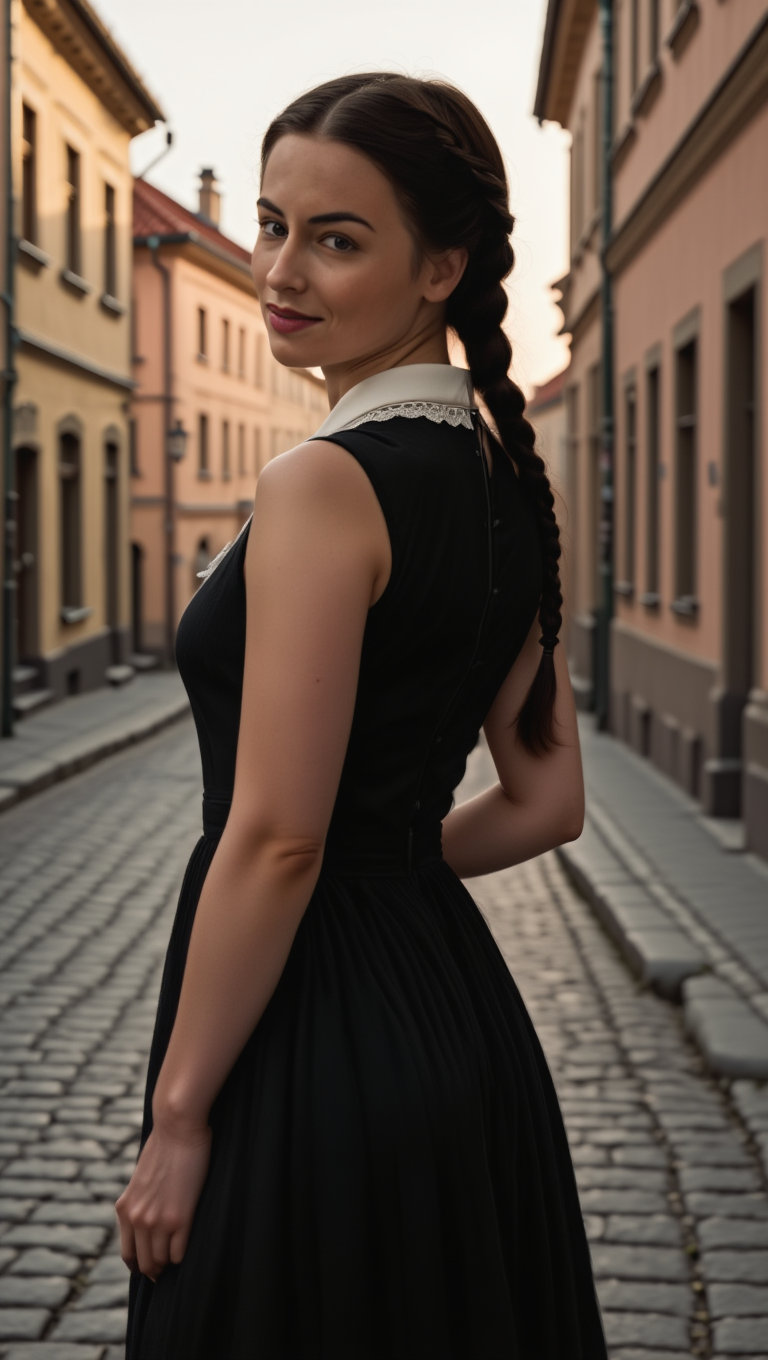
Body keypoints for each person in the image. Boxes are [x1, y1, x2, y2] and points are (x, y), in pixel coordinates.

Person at [119, 72, 608, 1359]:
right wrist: (388, 864)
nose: (281, 268)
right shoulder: (506, 486)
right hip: (458, 1025)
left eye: (338, 240)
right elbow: (549, 802)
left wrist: (179, 1115)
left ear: (443, 264)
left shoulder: (323, 485)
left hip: (313, 1041)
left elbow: (277, 836)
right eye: (275, 224)